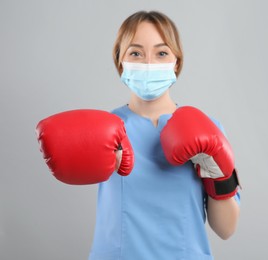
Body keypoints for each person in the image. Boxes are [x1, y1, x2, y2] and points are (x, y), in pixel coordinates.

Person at [36, 10, 241, 260]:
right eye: (135, 53)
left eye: (161, 53)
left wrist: (216, 170)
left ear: (176, 61)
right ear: (120, 61)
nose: (148, 63)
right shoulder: (102, 129)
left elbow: (226, 229)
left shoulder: (209, 127)